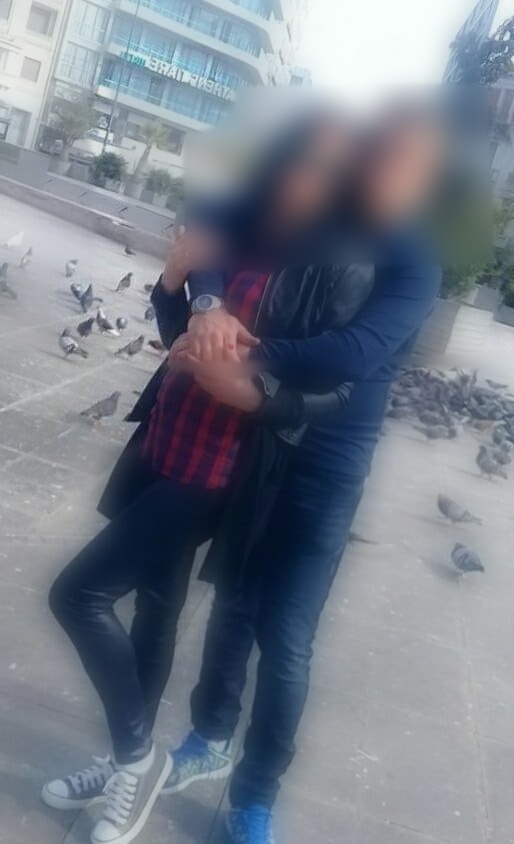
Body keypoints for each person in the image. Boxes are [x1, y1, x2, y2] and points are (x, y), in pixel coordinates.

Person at [41, 111, 376, 844]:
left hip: (219, 470)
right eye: (298, 160)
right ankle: (122, 760)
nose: (304, 179)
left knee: (78, 594)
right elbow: (176, 334)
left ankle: (138, 759)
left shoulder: (344, 263)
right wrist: (174, 284)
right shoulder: (241, 230)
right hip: (166, 437)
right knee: (153, 614)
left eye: (326, 171)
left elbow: (340, 387)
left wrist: (253, 392)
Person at [159, 102, 448, 844]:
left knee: (286, 635)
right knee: (233, 601)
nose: (383, 174)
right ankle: (208, 736)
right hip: (263, 438)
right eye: (377, 156)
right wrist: (209, 302)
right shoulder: (318, 210)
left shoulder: (414, 258)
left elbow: (354, 354)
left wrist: (241, 355)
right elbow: (214, 214)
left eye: (404, 167)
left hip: (327, 459)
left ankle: (255, 797)